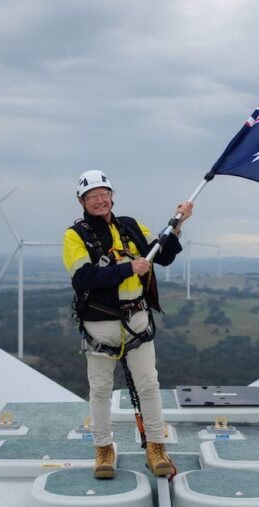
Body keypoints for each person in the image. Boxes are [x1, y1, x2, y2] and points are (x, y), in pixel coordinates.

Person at [63, 169, 193, 479]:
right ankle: (104, 449)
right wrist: (128, 269)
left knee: (149, 385)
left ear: (111, 196)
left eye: (103, 194)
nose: (99, 200)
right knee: (100, 390)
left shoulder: (131, 227)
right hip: (99, 324)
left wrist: (177, 224)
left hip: (136, 318)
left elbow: (161, 256)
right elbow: (83, 278)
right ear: (82, 201)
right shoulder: (75, 235)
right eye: (92, 196)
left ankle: (156, 447)